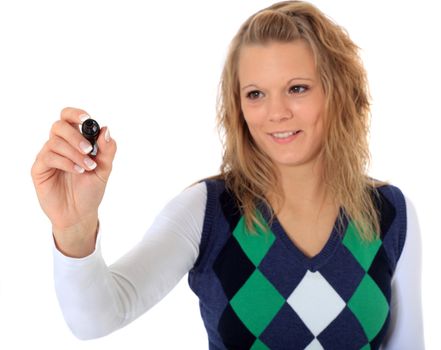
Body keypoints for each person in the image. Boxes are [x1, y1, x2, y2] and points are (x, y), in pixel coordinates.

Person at [31, 1, 424, 349]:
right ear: (237, 105)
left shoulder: (391, 213)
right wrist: (75, 227)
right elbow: (96, 319)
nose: (276, 112)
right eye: (255, 93)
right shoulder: (208, 211)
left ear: (340, 91)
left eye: (298, 88)